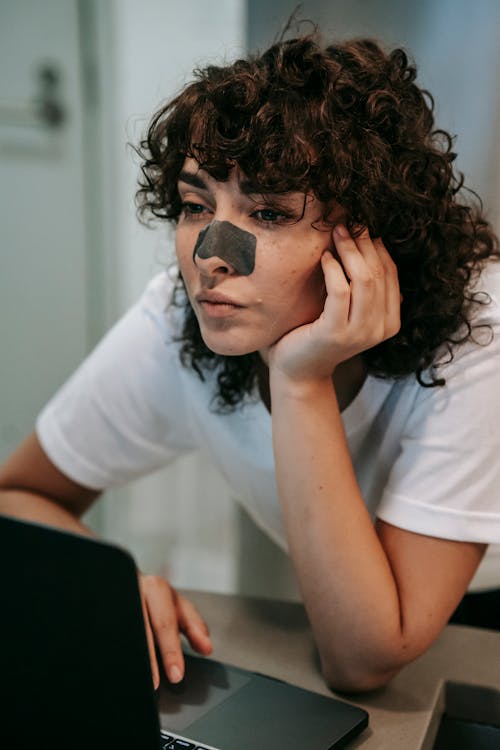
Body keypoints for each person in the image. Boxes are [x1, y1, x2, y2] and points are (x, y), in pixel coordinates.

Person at [1, 28, 499, 694]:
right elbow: (16, 495)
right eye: (195, 204)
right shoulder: (183, 315)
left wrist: (299, 379)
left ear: (369, 236)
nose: (211, 253)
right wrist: (104, 580)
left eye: (266, 211)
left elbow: (363, 660)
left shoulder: (479, 334)